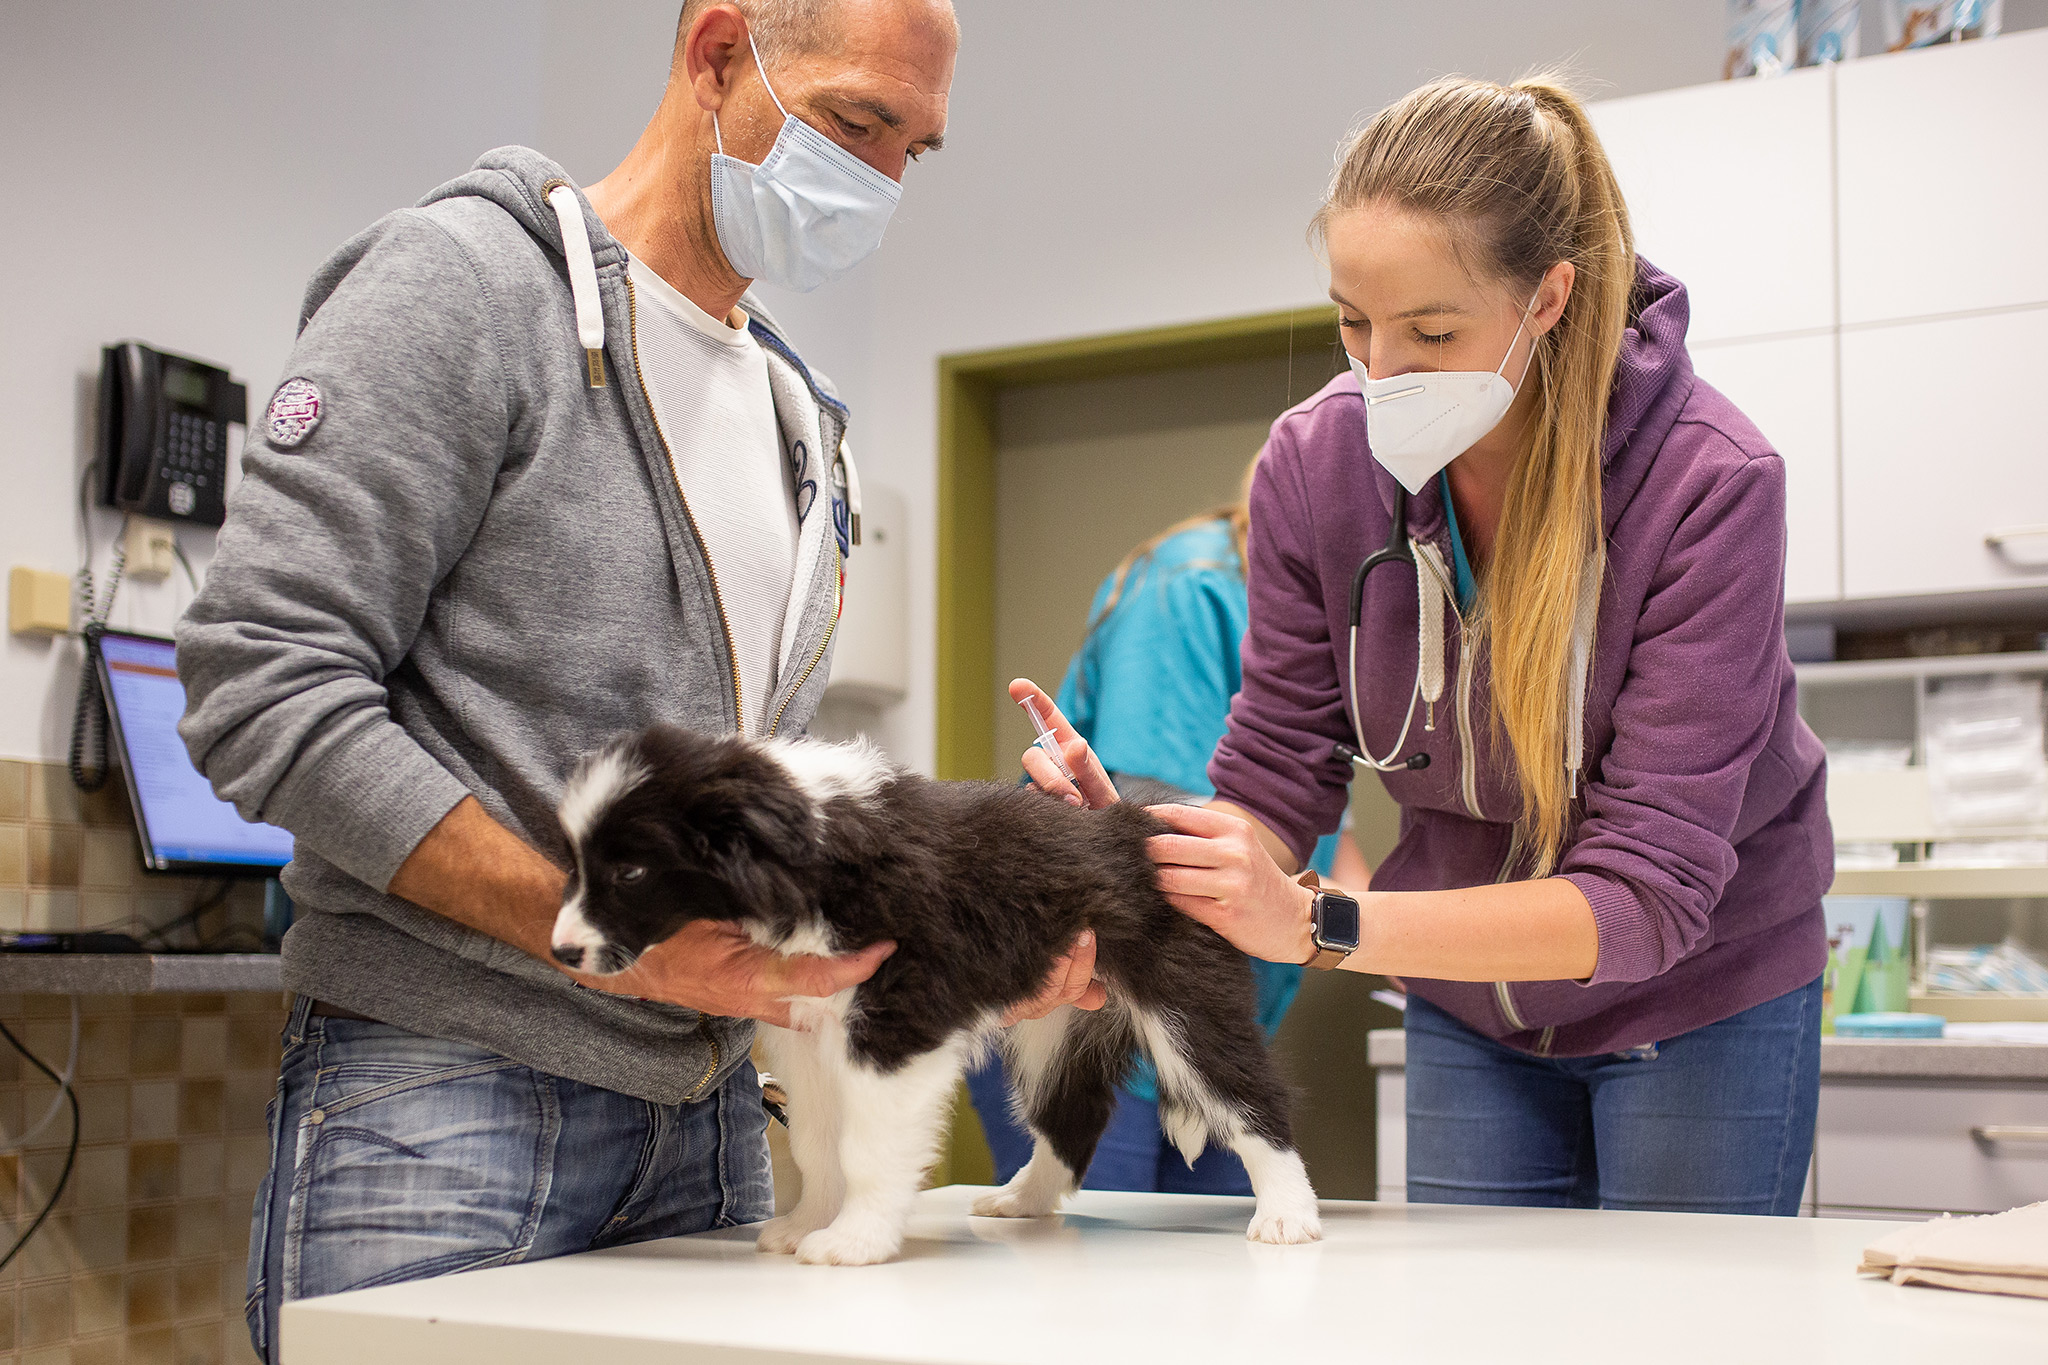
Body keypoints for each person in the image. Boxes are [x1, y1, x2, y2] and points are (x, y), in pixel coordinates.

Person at [181, 3, 1088, 1357]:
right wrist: (596, 933)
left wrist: (985, 909)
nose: (883, 183)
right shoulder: (465, 292)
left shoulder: (800, 414)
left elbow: (741, 820)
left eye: (918, 148)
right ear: (717, 52)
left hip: (715, 1118)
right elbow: (260, 680)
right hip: (447, 1108)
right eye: (855, 125)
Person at [1019, 74, 1832, 1216]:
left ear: (1546, 296)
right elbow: (1274, 777)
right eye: (1353, 324)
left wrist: (1315, 922)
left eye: (1432, 331)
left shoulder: (1706, 486)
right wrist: (1141, 855)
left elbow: (1645, 895)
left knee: (1676, 1329)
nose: (1379, 374)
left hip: (1699, 1000)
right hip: (1466, 1005)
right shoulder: (1313, 467)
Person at [966, 472, 1371, 1194]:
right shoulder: (1188, 591)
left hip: (1207, 1002)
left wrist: (1383, 927)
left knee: (1223, 1279)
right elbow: (1171, 822)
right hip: (1099, 987)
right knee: (1099, 1276)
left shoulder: (1331, 625)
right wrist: (1338, 923)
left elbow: (1314, 818)